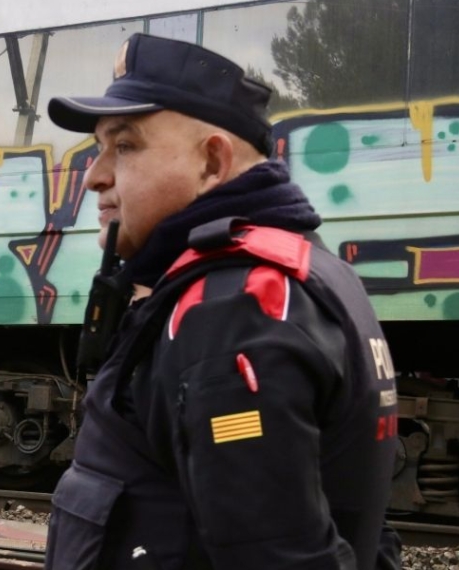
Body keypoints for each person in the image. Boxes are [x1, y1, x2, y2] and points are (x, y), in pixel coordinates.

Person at [43, 33, 402, 569]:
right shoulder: (314, 272)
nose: (95, 177)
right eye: (99, 148)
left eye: (125, 146)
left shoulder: (231, 312)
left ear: (212, 162)